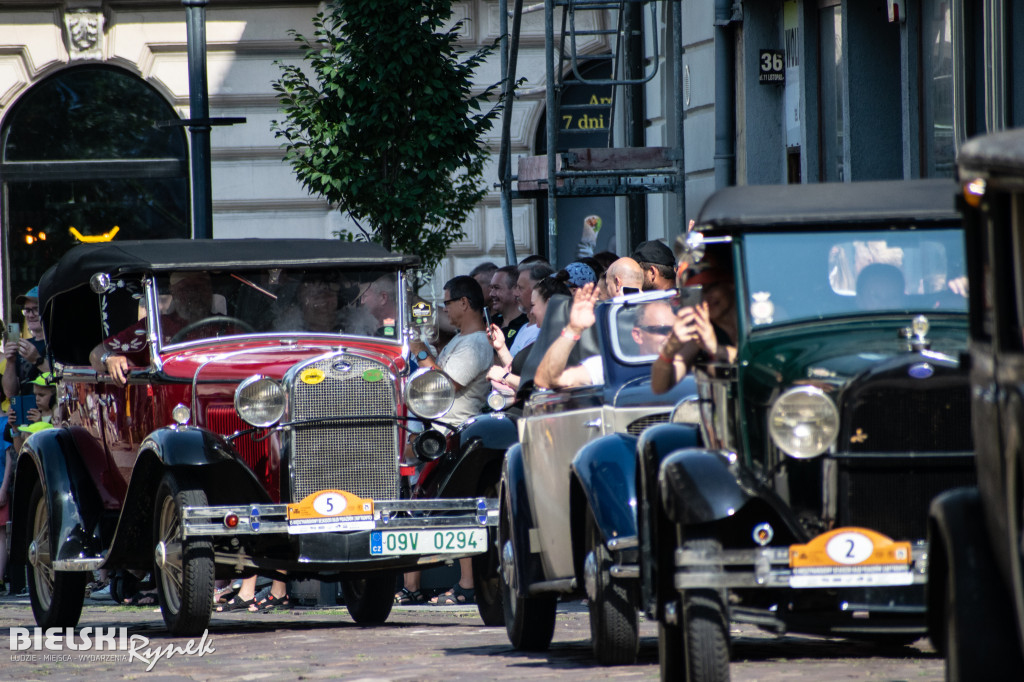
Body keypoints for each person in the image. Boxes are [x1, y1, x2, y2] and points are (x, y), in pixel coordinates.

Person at [402, 276, 493, 606]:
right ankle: (410, 585)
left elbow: (444, 385)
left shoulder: (477, 344)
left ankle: (467, 584)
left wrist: (420, 351)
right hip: (437, 432)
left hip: (453, 436)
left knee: (459, 511)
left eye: (447, 303)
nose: (444, 309)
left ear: (465, 304)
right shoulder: (461, 340)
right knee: (418, 506)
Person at [89, 271, 220, 387]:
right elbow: (96, 353)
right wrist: (109, 358)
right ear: (173, 291)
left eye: (202, 285)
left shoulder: (228, 326)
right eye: (187, 287)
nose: (195, 294)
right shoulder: (154, 327)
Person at [535, 284, 676, 389]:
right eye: (662, 330)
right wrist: (574, 328)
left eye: (675, 331)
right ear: (638, 335)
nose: (671, 338)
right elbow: (546, 380)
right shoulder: (608, 367)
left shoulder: (689, 361)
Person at [651, 252, 738, 394]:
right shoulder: (699, 331)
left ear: (730, 284)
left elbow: (766, 363)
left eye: (711, 287)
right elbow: (659, 387)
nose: (707, 298)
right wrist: (669, 349)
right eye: (700, 292)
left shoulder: (760, 315)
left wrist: (717, 349)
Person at [486, 274, 571, 394]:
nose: (531, 312)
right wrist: (501, 347)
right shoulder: (548, 338)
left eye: (533, 305)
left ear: (550, 304)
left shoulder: (562, 342)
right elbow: (522, 373)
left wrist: (504, 377)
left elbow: (540, 386)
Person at [2, 286, 49, 402]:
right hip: (26, 415)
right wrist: (10, 362)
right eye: (27, 310)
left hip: (51, 415)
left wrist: (37, 360)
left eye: (36, 309)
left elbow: (63, 380)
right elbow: (10, 392)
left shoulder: (59, 344)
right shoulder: (23, 346)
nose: (30, 315)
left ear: (48, 309)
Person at [509, 262, 555, 357]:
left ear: (538, 289)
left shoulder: (542, 332)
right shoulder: (525, 326)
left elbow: (523, 370)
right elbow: (512, 367)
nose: (515, 293)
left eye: (520, 288)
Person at [487, 265, 527, 345]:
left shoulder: (526, 324)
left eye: (497, 288)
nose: (491, 294)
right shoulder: (491, 322)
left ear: (516, 289)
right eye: (491, 288)